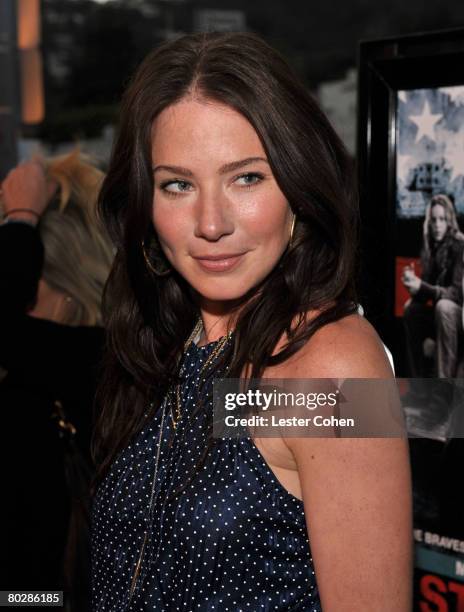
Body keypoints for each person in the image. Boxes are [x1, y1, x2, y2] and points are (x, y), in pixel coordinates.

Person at [91, 32, 412, 611]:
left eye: (246, 178)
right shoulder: (164, 347)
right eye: (178, 184)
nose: (210, 223)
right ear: (145, 199)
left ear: (297, 183)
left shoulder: (331, 371)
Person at [0, 152, 111, 610]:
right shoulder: (139, 368)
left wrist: (21, 220)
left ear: (67, 288)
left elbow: (346, 407)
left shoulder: (87, 368)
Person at [402, 194, 464, 380]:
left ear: (449, 221)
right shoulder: (430, 246)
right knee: (411, 310)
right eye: (434, 219)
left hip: (457, 312)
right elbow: (428, 293)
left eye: (442, 219)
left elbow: (456, 293)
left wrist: (422, 287)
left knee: (443, 307)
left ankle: (441, 397)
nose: (438, 224)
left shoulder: (459, 244)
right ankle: (418, 387)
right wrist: (415, 288)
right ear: (429, 222)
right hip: (438, 311)